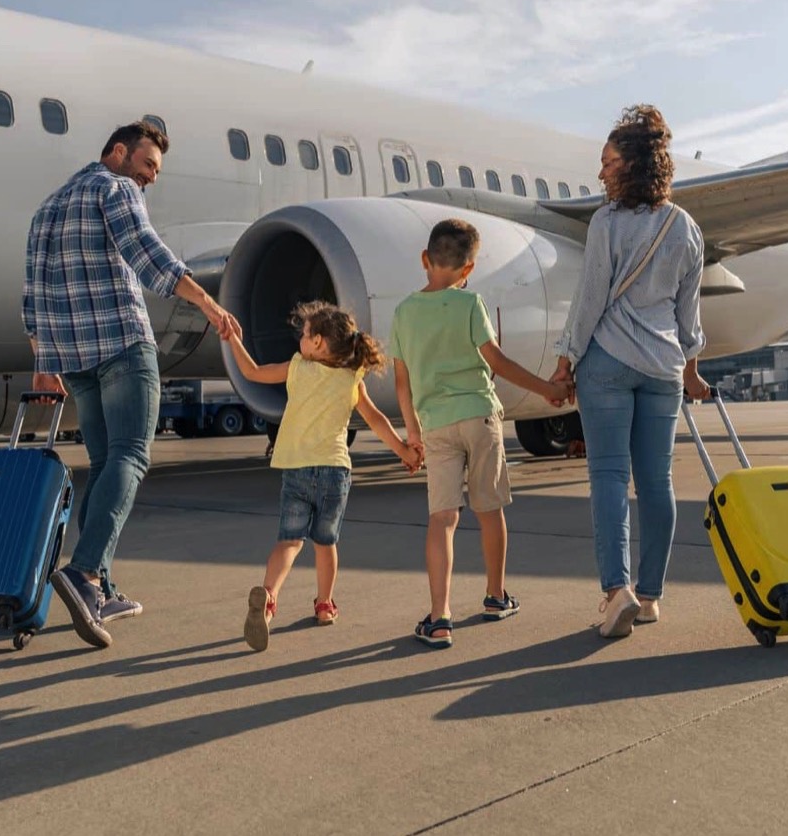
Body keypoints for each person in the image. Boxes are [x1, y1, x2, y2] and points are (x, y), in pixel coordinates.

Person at [23, 119, 238, 649]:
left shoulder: (47, 208)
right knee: (131, 456)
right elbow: (147, 253)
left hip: (75, 358)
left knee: (105, 463)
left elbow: (32, 294)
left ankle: (103, 586)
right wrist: (208, 302)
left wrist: (43, 359)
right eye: (148, 165)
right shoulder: (114, 188)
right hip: (121, 344)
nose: (151, 178)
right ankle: (86, 572)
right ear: (118, 152)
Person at [550, 104, 710, 639]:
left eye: (608, 162)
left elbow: (590, 297)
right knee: (657, 482)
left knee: (610, 478)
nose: (601, 172)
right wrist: (691, 370)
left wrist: (565, 358)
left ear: (633, 165)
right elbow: (689, 315)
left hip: (609, 365)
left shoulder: (607, 223)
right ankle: (650, 596)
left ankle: (615, 590)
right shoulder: (687, 228)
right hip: (664, 369)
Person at [390, 218, 572, 649]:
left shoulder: (403, 312)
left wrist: (412, 433)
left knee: (443, 519)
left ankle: (439, 618)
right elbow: (498, 361)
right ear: (469, 269)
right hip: (479, 416)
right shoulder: (471, 304)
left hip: (435, 424)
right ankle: (495, 596)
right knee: (489, 510)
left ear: (424, 260)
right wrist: (547, 388)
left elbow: (402, 382)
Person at [225, 301, 420, 652]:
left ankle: (268, 598)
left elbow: (252, 372)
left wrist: (233, 340)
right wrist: (404, 450)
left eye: (304, 333)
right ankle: (325, 604)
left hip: (297, 468)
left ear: (318, 343)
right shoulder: (351, 377)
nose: (300, 339)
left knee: (289, 541)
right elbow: (376, 419)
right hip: (333, 470)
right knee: (325, 543)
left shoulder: (298, 367)